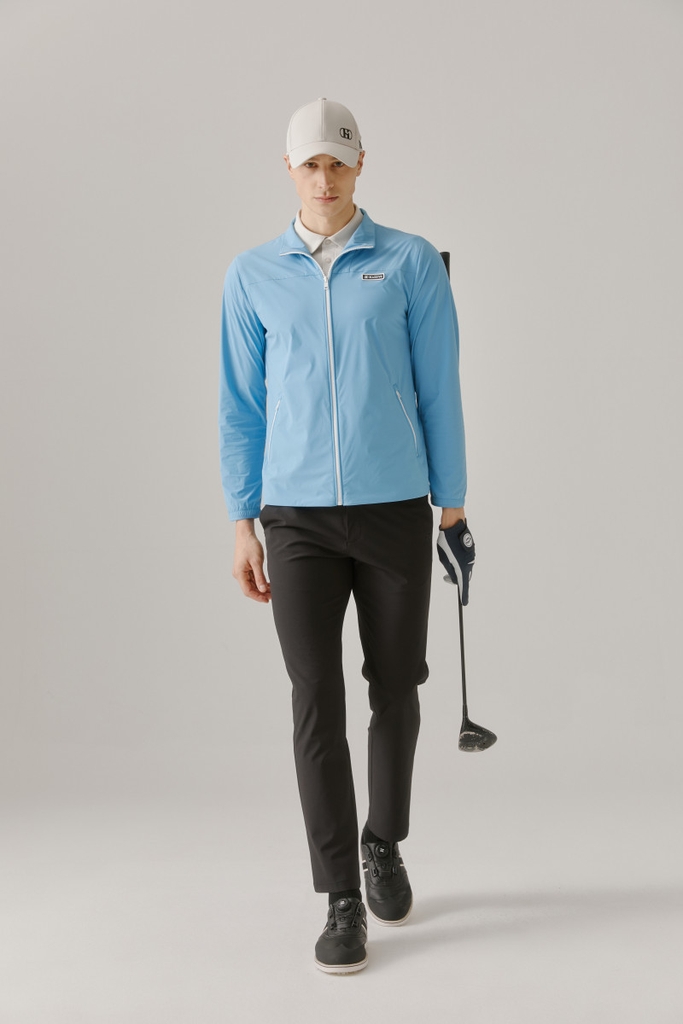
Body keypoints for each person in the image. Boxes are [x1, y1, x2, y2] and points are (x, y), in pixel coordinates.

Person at [219, 97, 468, 973]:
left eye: (337, 162)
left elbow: (439, 386)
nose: (322, 179)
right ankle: (339, 896)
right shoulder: (251, 275)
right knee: (314, 699)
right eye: (309, 164)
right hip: (294, 520)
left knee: (396, 686)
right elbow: (241, 407)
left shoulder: (408, 262)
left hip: (394, 506)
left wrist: (453, 505)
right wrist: (241, 519)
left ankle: (382, 842)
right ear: (287, 170)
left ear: (360, 165)